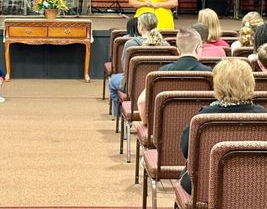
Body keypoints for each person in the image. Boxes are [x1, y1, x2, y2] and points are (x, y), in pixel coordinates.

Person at [179, 58, 266, 194]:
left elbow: (186, 150)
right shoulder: (263, 115)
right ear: (251, 83)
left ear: (217, 84)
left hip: (206, 188)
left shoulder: (203, 118)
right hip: (255, 188)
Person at [137, 28, 212, 124]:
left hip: (165, 131)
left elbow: (142, 102)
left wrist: (149, 126)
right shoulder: (209, 74)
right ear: (197, 49)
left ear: (178, 50)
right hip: (197, 131)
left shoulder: (162, 73)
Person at [108, 12, 167, 117]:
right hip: (159, 86)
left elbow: (125, 67)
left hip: (132, 85)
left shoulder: (131, 45)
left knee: (112, 81)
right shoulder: (166, 45)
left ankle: (119, 114)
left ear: (141, 27)